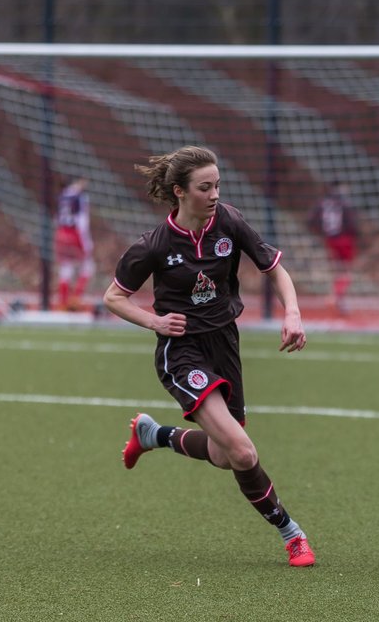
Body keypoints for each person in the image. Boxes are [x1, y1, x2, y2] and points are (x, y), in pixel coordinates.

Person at [103, 145, 316, 568]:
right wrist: (154, 322)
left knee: (223, 455)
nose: (215, 194)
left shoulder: (229, 222)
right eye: (205, 187)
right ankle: (292, 534)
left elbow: (274, 267)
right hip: (181, 353)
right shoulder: (154, 245)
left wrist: (293, 313)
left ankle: (154, 436)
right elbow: (113, 298)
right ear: (180, 192)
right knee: (242, 452)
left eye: (218, 185)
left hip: (225, 345)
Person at [307, 179, 359, 315]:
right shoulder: (345, 203)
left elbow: (311, 219)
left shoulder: (323, 203)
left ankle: (339, 300)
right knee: (346, 272)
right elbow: (352, 223)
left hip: (330, 239)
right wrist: (355, 234)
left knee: (337, 270)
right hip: (344, 239)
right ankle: (336, 296)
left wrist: (320, 232)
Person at [54, 178, 94, 310]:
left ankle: (63, 301)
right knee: (88, 266)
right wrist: (86, 242)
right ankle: (76, 298)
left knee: (66, 267)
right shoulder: (80, 197)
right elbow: (82, 221)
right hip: (75, 235)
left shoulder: (63, 196)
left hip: (61, 233)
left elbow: (58, 217)